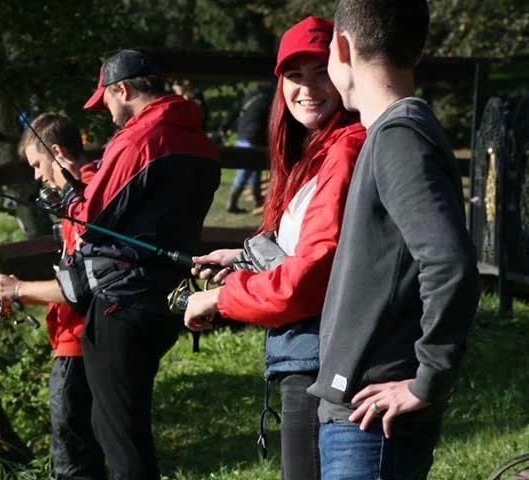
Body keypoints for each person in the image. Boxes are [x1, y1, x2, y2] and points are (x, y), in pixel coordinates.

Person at [183, 16, 365, 480]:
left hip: (320, 360)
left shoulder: (342, 153)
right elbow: (304, 248)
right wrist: (242, 259)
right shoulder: (314, 153)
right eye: (294, 75)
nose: (307, 88)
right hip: (308, 354)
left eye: (319, 72)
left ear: (343, 72)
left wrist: (220, 298)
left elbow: (307, 282)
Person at [306, 1, 480, 479]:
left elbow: (450, 265)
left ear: (341, 47)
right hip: (361, 417)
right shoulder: (393, 133)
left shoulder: (399, 137)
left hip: (371, 425)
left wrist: (427, 381)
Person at [69, 49, 220, 479]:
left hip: (124, 297)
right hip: (168, 296)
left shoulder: (141, 138)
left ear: (124, 89)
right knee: (123, 420)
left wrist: (69, 192)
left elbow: (89, 221)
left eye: (107, 102)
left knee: (118, 429)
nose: (109, 114)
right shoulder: (197, 138)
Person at [0, 112, 106, 480]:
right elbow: (77, 281)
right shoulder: (80, 197)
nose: (36, 175)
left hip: (80, 344)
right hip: (84, 338)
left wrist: (20, 289)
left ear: (56, 152)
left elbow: (81, 288)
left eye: (36, 163)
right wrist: (15, 294)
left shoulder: (86, 201)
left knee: (73, 462)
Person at [218, 82, 273, 213]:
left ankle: (257, 201)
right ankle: (232, 203)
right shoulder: (269, 100)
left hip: (242, 136)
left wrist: (223, 127)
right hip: (255, 139)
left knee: (255, 170)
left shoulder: (248, 95)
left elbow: (234, 111)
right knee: (246, 172)